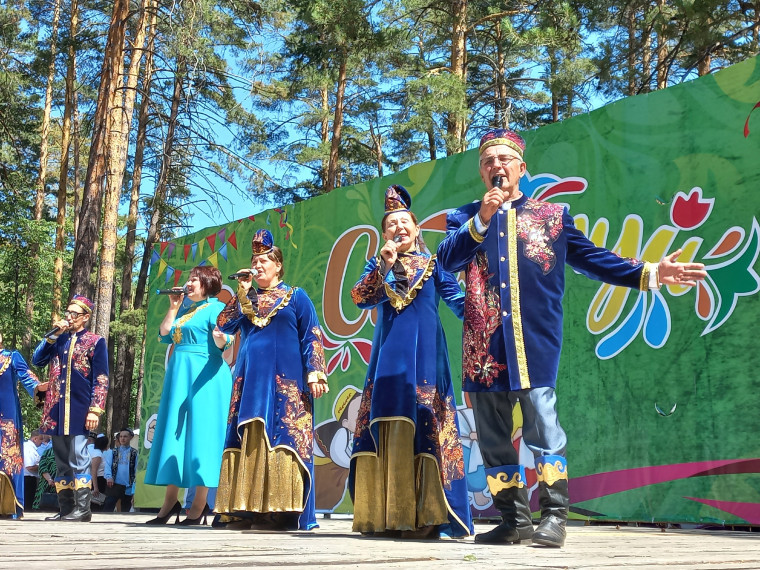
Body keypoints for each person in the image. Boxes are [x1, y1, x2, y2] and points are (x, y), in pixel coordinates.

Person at [436, 128, 708, 547]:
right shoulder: (464, 218)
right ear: (481, 171)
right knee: (492, 436)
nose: (496, 167)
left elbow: (595, 260)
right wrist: (481, 221)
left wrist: (651, 273)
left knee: (543, 428)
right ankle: (513, 520)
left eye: (504, 159)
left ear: (522, 169)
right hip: (483, 347)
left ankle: (555, 517)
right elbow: (445, 262)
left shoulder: (552, 217)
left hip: (534, 342)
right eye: (488, 161)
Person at [347, 185, 472, 540]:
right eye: (391, 225)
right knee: (390, 425)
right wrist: (384, 264)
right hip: (388, 359)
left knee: (426, 423)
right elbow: (360, 298)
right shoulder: (377, 265)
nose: (399, 228)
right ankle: (392, 515)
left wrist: (488, 317)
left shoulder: (435, 264)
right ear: (384, 234)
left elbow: (459, 301)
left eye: (405, 222)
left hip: (428, 358)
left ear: (416, 230)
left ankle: (431, 515)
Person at [215, 229, 329, 531]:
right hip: (250, 378)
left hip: (287, 381)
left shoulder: (296, 296)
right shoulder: (247, 298)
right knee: (251, 433)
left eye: (264, 259)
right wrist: (242, 291)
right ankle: (246, 507)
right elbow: (224, 324)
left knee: (284, 435)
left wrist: (315, 373)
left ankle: (283, 509)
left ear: (278, 265)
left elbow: (312, 336)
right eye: (254, 260)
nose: (258, 264)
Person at [144, 265, 234, 526]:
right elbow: (164, 335)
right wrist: (173, 307)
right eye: (189, 279)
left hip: (205, 375)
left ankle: (198, 505)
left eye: (195, 280)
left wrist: (220, 339)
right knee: (175, 434)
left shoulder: (217, 308)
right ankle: (170, 501)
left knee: (201, 437)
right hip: (180, 374)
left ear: (208, 284)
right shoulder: (184, 309)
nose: (189, 283)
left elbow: (226, 341)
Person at [32, 294, 109, 522]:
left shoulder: (95, 341)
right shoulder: (58, 340)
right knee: (61, 461)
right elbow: (37, 360)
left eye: (74, 314)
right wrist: (53, 334)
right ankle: (66, 508)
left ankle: (83, 509)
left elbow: (102, 378)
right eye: (67, 313)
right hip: (56, 409)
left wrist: (95, 409)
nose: (69, 317)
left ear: (85, 317)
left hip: (79, 408)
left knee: (78, 456)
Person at [0, 332, 44, 518]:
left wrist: (40, 390)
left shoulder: (11, 357)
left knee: (8, 459)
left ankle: (11, 507)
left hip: (6, 417)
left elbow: (27, 377)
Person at [104, 429, 137, 512]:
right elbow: (108, 465)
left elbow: (136, 469)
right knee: (108, 506)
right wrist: (109, 477)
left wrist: (134, 484)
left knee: (126, 509)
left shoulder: (135, 453)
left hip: (128, 485)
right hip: (115, 484)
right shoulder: (113, 452)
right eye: (121, 436)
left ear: (130, 437)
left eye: (125, 436)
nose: (122, 439)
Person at [22, 430, 43, 512]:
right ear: (35, 439)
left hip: (30, 477)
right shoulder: (28, 448)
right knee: (28, 503)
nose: (42, 442)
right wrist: (42, 466)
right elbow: (29, 466)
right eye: (41, 439)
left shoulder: (31, 448)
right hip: (28, 478)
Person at [33, 444, 57, 511]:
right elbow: (42, 467)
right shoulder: (48, 452)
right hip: (47, 483)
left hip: (60, 482)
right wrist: (49, 480)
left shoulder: (69, 452)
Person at [87, 433, 108, 508]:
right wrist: (96, 487)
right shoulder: (98, 454)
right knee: (96, 502)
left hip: (98, 479)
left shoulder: (96, 452)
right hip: (98, 479)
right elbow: (94, 470)